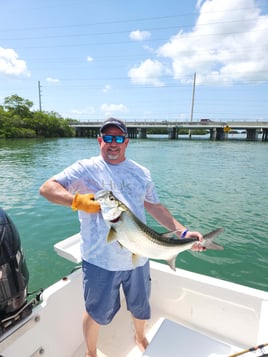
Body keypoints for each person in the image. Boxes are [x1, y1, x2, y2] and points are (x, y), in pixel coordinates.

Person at [39, 118, 204, 357]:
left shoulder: (141, 172)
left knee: (141, 307)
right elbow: (47, 189)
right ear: (100, 141)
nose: (113, 143)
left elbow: (155, 207)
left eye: (118, 138)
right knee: (96, 313)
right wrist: (76, 201)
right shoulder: (86, 168)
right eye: (108, 138)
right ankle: (91, 353)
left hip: (140, 255)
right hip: (99, 261)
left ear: (126, 142)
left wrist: (185, 233)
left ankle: (140, 337)